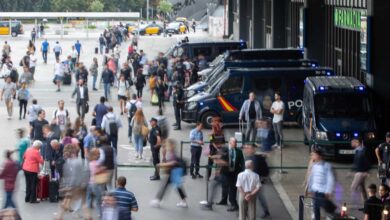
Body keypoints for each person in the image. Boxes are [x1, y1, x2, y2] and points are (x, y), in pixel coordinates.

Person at [150, 139, 188, 208]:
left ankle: (157, 201)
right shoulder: (172, 152)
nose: (166, 146)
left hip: (174, 172)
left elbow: (173, 163)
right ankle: (183, 201)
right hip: (174, 171)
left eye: (168, 145)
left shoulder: (172, 153)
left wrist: (161, 165)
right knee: (176, 186)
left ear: (171, 146)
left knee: (167, 186)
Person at [243, 144, 271, 218]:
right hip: (251, 180)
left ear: (252, 149)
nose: (246, 149)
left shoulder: (256, 158)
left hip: (255, 181)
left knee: (256, 196)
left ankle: (265, 212)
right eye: (245, 148)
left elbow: (259, 171)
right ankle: (245, 211)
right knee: (252, 196)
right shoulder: (248, 157)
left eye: (248, 148)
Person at [306, 149, 335, 220]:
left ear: (319, 156)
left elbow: (330, 178)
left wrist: (328, 190)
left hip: (323, 191)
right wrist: (309, 188)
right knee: (316, 208)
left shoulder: (326, 166)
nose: (312, 156)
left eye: (314, 155)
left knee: (326, 206)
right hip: (315, 190)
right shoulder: (314, 165)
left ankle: (331, 215)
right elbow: (311, 177)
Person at [203, 138, 229, 210]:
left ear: (219, 144)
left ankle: (210, 204)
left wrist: (214, 159)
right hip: (222, 174)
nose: (214, 145)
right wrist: (213, 157)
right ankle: (213, 203)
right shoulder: (222, 149)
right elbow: (219, 156)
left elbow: (223, 161)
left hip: (225, 174)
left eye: (215, 144)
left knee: (228, 189)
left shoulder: (224, 149)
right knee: (218, 187)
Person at [225, 137, 245, 212]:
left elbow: (242, 162)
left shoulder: (239, 151)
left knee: (233, 188)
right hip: (227, 172)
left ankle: (234, 204)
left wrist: (243, 172)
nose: (235, 144)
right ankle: (232, 203)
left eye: (236, 142)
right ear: (230, 142)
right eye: (234, 142)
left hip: (236, 172)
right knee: (229, 188)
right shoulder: (226, 150)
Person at [350, 137, 370, 206]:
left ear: (358, 143)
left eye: (353, 142)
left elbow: (368, 161)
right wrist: (352, 170)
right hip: (358, 172)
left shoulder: (364, 150)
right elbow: (356, 162)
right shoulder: (358, 150)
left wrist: (367, 171)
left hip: (362, 172)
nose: (352, 144)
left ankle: (354, 203)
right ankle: (366, 204)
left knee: (353, 187)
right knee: (362, 188)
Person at [86, 148, 104, 216]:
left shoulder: (90, 163)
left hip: (90, 183)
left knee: (88, 198)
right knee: (99, 200)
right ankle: (101, 213)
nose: (99, 155)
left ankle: (87, 214)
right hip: (96, 183)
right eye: (98, 154)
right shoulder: (97, 164)